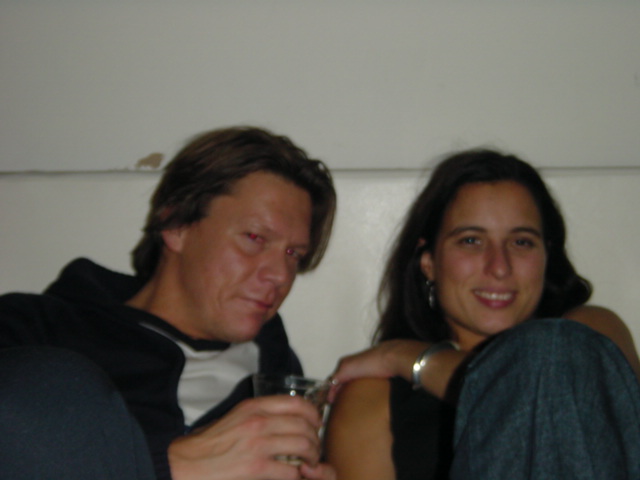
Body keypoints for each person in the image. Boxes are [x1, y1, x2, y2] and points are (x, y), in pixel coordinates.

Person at [0, 126, 337, 480]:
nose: (280, 275)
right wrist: (170, 466)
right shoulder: (35, 329)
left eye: (293, 254)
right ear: (176, 225)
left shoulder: (279, 371)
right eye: (254, 238)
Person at [325, 149, 640, 480]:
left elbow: (550, 382)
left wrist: (405, 356)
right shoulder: (373, 398)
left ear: (547, 257)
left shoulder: (590, 336)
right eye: (471, 241)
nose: (499, 267)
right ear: (429, 262)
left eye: (521, 242)